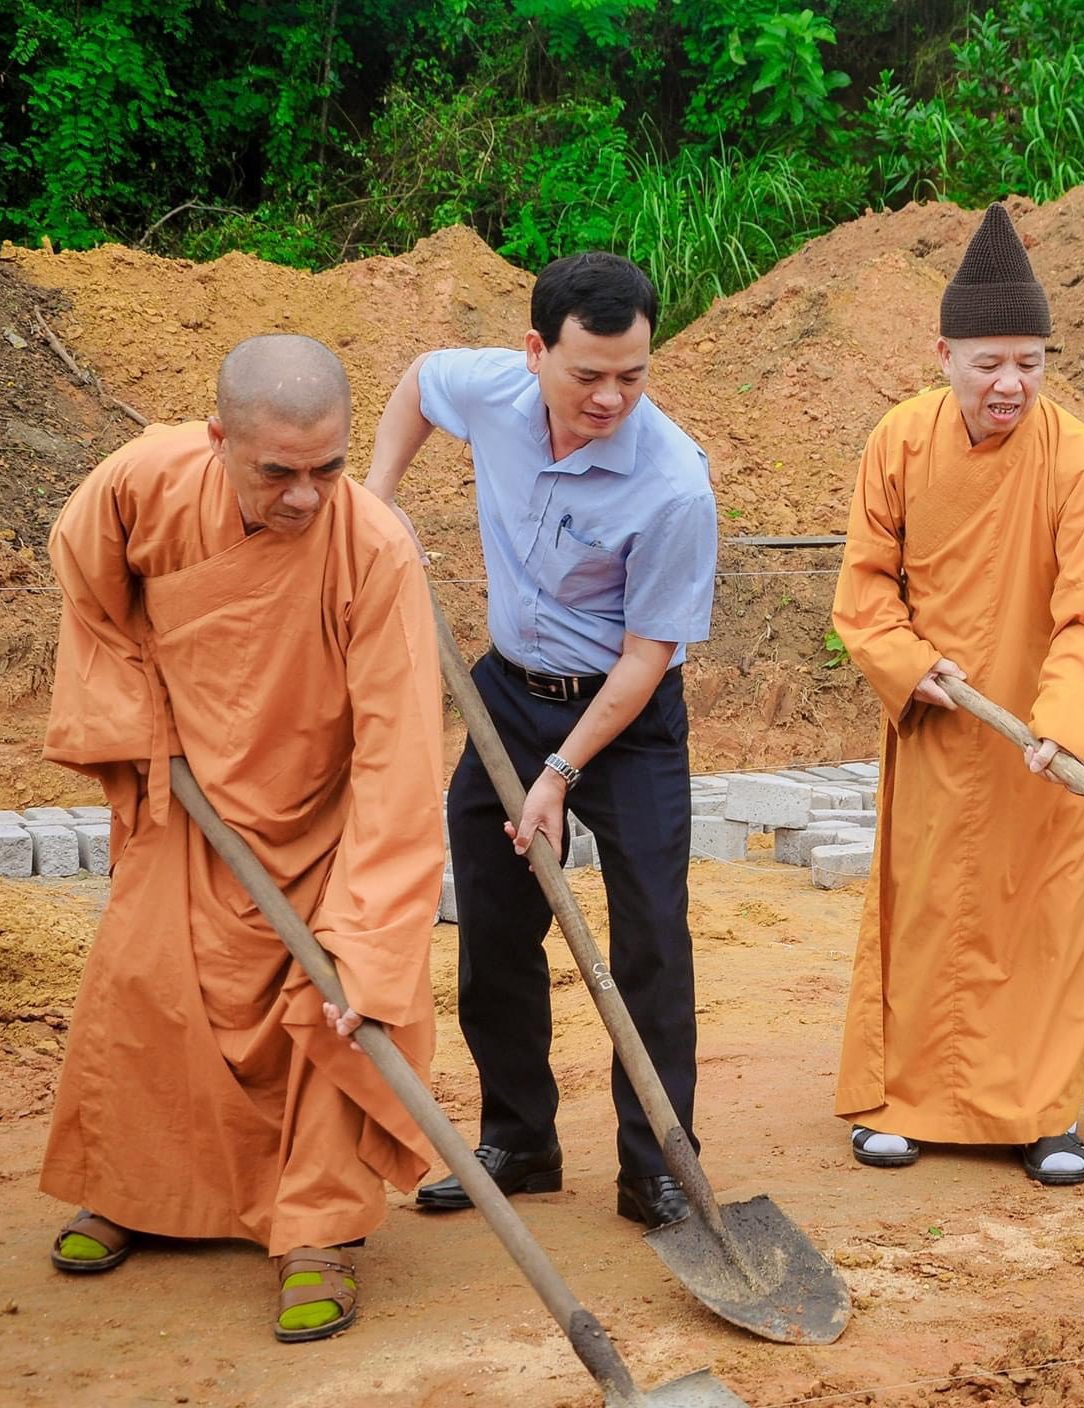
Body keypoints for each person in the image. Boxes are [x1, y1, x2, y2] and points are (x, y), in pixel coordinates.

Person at [40, 335, 445, 1342]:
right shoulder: (143, 481)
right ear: (220, 438)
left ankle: (316, 1232)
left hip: (320, 828)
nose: (306, 498)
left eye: (328, 470)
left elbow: (399, 760)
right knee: (145, 996)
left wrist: (372, 934)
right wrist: (139, 720)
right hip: (189, 807)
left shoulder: (375, 549)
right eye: (278, 473)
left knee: (336, 1018)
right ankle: (140, 1192)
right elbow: (88, 591)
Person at [364, 253, 716, 1230]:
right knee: (492, 925)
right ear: (534, 352)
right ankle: (519, 1137)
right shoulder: (493, 388)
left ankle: (656, 1164)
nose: (611, 397)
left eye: (633, 375)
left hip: (627, 718)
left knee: (650, 939)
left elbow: (647, 656)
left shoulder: (674, 484)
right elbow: (417, 383)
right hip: (509, 696)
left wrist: (561, 774)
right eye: (588, 374)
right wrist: (378, 495)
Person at [830, 202, 1084, 1186]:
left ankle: (1043, 1113)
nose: (1010, 383)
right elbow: (865, 582)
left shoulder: (1081, 463)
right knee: (926, 910)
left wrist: (1067, 726)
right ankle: (905, 1100)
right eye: (988, 362)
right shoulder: (898, 443)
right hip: (937, 721)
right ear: (945, 353)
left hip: (1045, 742)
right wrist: (902, 658)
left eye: (1030, 363)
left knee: (1043, 918)